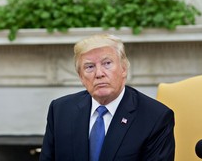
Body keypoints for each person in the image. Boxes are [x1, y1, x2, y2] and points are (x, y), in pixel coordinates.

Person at [39, 33, 175, 161]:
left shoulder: (156, 117)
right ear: (81, 77)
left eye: (107, 63)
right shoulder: (60, 110)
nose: (99, 73)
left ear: (124, 69)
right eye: (90, 67)